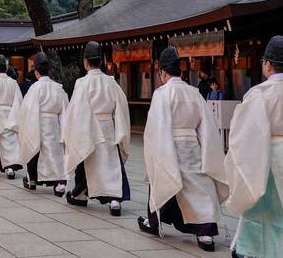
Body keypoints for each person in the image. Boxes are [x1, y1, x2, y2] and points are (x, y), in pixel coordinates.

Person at [138, 46, 228, 252]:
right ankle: (205, 231)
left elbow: (156, 128)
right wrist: (207, 150)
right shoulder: (194, 93)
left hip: (168, 142)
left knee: (161, 177)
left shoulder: (162, 94)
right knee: (200, 186)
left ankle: (155, 221)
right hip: (192, 144)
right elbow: (208, 125)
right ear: (181, 71)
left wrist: (159, 152)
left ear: (162, 72)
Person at [225, 35, 283, 258]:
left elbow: (243, 138)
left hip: (270, 163)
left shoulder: (261, 94)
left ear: (267, 64)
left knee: (265, 216)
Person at [63, 41, 131, 216]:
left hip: (88, 127)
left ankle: (80, 194)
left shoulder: (82, 83)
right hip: (108, 126)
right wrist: (119, 128)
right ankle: (115, 200)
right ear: (101, 61)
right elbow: (121, 107)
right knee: (111, 163)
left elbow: (75, 110)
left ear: (85, 62)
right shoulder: (111, 83)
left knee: (86, 159)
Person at [12, 52, 67, 196]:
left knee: (34, 149)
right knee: (55, 152)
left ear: (36, 72)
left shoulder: (34, 88)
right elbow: (65, 110)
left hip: (37, 122)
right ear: (49, 71)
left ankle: (32, 180)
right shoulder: (58, 88)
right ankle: (59, 181)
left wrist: (26, 127)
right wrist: (65, 129)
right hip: (54, 123)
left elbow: (27, 110)